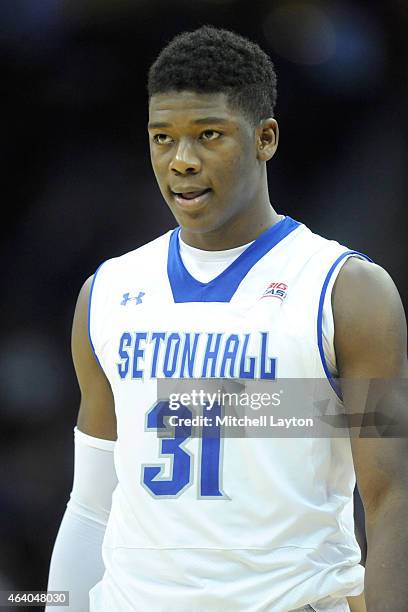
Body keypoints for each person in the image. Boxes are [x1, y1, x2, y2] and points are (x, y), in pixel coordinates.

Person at [46, 26, 407, 612]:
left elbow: (393, 496)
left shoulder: (347, 292)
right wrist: (57, 604)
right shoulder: (106, 293)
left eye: (207, 135)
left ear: (265, 138)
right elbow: (91, 502)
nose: (181, 161)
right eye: (162, 138)